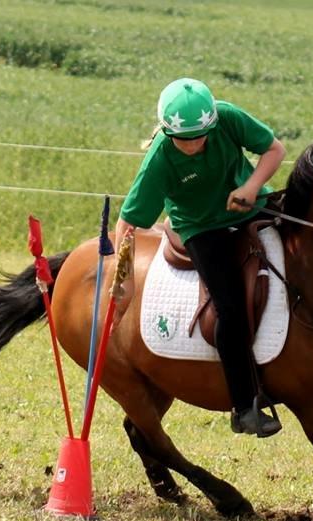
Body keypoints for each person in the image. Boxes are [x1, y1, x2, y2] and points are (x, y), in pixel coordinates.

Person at [114, 78, 287, 437]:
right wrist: (124, 278)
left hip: (250, 204)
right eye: (184, 139)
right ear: (167, 132)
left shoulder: (227, 117)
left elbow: (274, 150)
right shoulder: (160, 159)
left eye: (200, 136)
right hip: (200, 228)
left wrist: (251, 187)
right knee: (230, 309)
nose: (192, 145)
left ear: (212, 123)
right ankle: (244, 409)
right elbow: (128, 222)